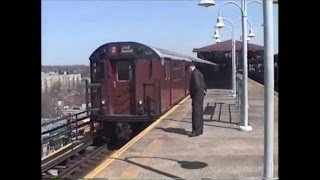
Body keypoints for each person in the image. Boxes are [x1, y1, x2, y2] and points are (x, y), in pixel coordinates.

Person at [187, 63, 207, 137]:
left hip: (197, 96)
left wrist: (192, 94)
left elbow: (197, 85)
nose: (188, 70)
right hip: (200, 96)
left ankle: (195, 131)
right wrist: (204, 91)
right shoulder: (199, 72)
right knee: (200, 112)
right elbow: (203, 84)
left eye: (188, 68)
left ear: (191, 67)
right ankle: (200, 130)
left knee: (196, 113)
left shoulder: (194, 73)